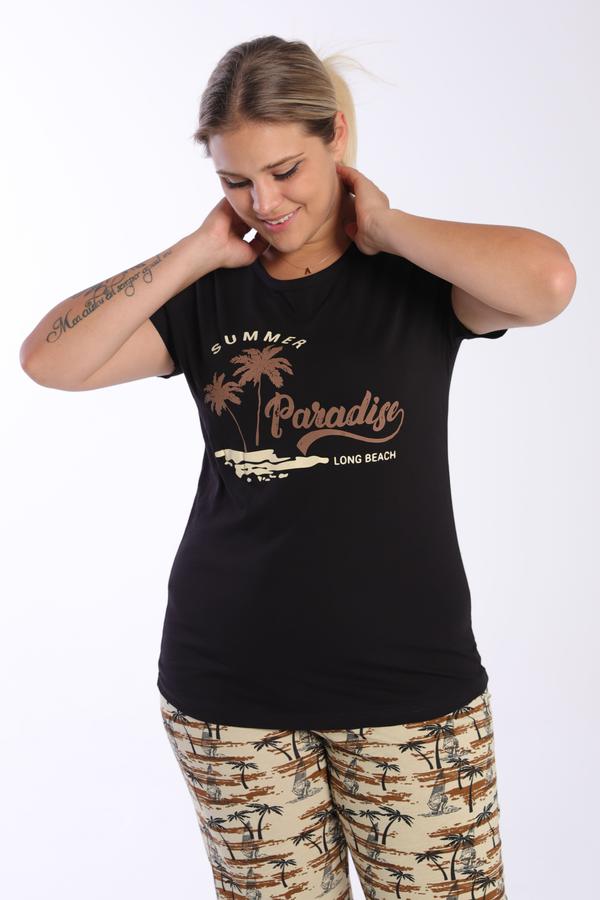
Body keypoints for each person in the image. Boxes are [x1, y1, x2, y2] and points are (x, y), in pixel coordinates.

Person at [20, 34, 576, 900]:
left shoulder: (417, 278)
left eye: (285, 171)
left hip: (411, 682)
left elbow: (548, 282)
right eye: (235, 181)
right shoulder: (208, 295)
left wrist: (384, 226)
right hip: (229, 690)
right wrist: (196, 252)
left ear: (336, 137)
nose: (264, 201)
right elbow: (50, 360)